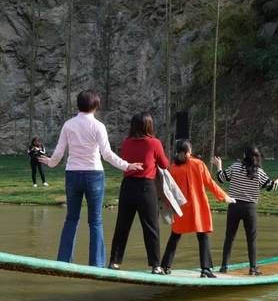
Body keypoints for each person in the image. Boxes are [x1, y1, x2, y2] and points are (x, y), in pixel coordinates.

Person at [39, 90, 144, 267]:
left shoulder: (68, 125)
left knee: (71, 219)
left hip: (72, 174)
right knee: (95, 221)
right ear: (96, 106)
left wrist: (49, 162)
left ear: (78, 105)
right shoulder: (98, 126)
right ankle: (96, 264)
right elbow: (107, 154)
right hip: (94, 175)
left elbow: (58, 153)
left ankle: (64, 261)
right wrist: (127, 166)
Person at [160, 140, 234, 278]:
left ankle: (165, 266)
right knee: (203, 236)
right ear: (189, 151)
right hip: (197, 207)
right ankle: (205, 269)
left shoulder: (173, 168)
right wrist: (224, 196)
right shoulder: (198, 164)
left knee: (175, 236)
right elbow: (209, 183)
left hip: (181, 209)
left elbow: (167, 191)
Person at [213, 147, 278, 276]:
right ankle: (253, 269)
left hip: (234, 206)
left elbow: (221, 178)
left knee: (229, 238)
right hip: (250, 209)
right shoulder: (258, 172)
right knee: (251, 240)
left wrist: (219, 165)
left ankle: (224, 267)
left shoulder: (235, 167)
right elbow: (272, 187)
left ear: (244, 155)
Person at [107, 112, 169, 273]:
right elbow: (164, 164)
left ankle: (114, 262)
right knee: (151, 227)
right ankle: (156, 266)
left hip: (127, 186)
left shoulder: (126, 142)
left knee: (122, 225)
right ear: (149, 125)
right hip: (146, 187)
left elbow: (125, 159)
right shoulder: (154, 143)